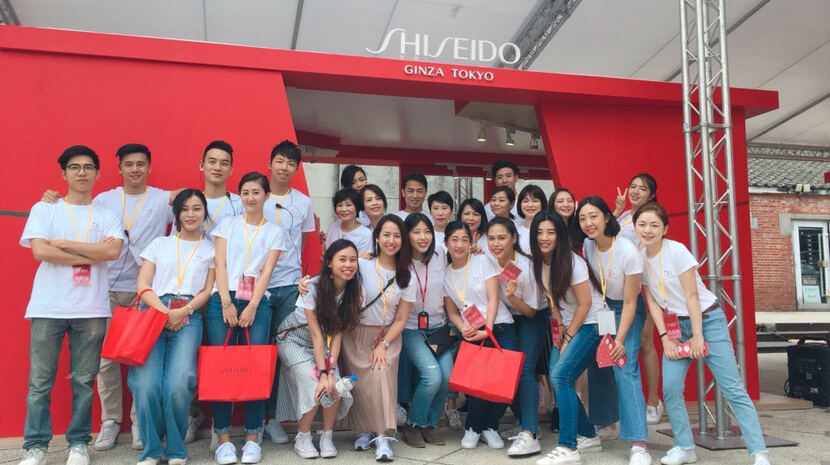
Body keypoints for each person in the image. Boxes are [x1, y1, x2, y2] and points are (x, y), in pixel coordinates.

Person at [635, 203, 771, 465]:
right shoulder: (638, 257)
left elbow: (692, 295)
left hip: (706, 321)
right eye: (642, 224)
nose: (648, 230)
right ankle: (685, 447)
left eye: (654, 225)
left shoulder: (677, 251)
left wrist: (698, 335)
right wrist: (665, 336)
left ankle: (759, 452)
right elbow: (650, 298)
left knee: (732, 387)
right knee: (671, 389)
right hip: (674, 328)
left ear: (665, 229)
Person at [19, 145, 124, 465]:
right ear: (63, 173)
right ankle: (35, 446)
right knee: (40, 383)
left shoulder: (107, 214)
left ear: (97, 173)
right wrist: (91, 252)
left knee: (84, 381)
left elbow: (112, 253)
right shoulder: (45, 209)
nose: (82, 173)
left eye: (88, 167)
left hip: (91, 308)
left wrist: (64, 244)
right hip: (48, 307)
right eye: (75, 167)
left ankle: (78, 444)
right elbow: (40, 252)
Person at [129, 189, 216, 465]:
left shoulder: (211, 249)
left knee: (179, 383)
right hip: (153, 312)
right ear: (176, 214)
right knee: (145, 384)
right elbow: (143, 284)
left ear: (205, 213)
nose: (190, 214)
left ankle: (177, 450)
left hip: (189, 315)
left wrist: (183, 311)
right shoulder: (159, 244)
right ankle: (152, 450)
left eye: (197, 208)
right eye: (184, 209)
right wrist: (164, 311)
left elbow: (207, 290)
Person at [208, 172, 286, 465]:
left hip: (258, 303)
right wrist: (226, 302)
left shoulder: (275, 232)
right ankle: (223, 439)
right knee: (221, 369)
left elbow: (266, 272)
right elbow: (219, 264)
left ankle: (253, 437)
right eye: (245, 192)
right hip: (223, 299)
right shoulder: (227, 225)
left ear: (266, 195)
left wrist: (253, 305)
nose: (250, 198)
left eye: (256, 192)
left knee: (255, 368)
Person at [577, 196, 651, 465]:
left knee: (624, 366)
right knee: (598, 363)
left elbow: (631, 302)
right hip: (603, 308)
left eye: (593, 216)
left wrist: (619, 339)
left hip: (627, 308)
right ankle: (606, 423)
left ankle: (639, 443)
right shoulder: (587, 245)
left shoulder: (627, 252)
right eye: (583, 218)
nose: (588, 223)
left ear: (607, 217)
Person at [275, 239, 361, 459]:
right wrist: (322, 373)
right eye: (342, 259)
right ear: (329, 262)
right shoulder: (312, 286)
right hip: (294, 338)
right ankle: (302, 436)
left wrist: (330, 372)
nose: (348, 265)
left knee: (336, 384)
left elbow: (337, 334)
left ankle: (327, 436)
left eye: (353, 260)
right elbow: (315, 334)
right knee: (314, 381)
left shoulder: (352, 291)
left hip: (326, 342)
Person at [532, 211, 605, 465]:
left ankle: (568, 447)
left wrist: (568, 337)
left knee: (561, 376)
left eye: (551, 232)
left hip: (592, 324)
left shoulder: (573, 262)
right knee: (557, 376)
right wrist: (559, 328)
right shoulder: (541, 262)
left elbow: (585, 304)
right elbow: (553, 301)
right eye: (540, 232)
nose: (544, 237)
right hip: (569, 326)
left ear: (560, 236)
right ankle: (589, 435)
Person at [343, 214, 415, 462]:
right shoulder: (362, 266)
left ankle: (383, 437)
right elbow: (334, 279)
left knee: (381, 377)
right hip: (356, 334)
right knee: (360, 385)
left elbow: (401, 319)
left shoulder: (407, 276)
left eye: (396, 236)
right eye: (386, 235)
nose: (391, 240)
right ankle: (364, 430)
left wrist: (383, 344)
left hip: (387, 337)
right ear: (377, 237)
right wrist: (306, 283)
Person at [442, 221, 516, 451]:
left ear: (471, 242)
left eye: (464, 239)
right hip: (472, 331)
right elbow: (452, 311)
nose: (459, 244)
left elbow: (494, 297)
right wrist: (461, 326)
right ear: (446, 243)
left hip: (499, 326)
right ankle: (473, 427)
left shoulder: (482, 261)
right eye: (454, 240)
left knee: (503, 380)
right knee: (477, 383)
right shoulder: (446, 274)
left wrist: (489, 328)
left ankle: (490, 426)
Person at [263, 141, 316, 445]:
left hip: (289, 287)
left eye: (290, 163)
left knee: (284, 353)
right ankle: (258, 419)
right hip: (258, 287)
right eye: (280, 161)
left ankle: (275, 418)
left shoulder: (303, 203)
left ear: (296, 169)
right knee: (260, 351)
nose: (284, 167)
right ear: (269, 164)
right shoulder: (256, 196)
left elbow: (303, 242)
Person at [485, 217, 545, 457]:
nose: (496, 243)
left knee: (525, 368)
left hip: (530, 317)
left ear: (514, 238)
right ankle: (526, 422)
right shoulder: (488, 260)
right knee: (509, 370)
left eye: (501, 238)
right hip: (505, 318)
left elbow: (531, 311)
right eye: (491, 238)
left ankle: (530, 433)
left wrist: (512, 297)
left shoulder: (527, 268)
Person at [398, 214, 453, 449]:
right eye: (416, 232)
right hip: (411, 329)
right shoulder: (399, 262)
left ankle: (429, 424)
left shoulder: (441, 254)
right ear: (407, 235)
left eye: (427, 231)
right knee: (432, 377)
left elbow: (463, 255)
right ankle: (413, 424)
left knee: (447, 377)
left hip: (439, 328)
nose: (423, 237)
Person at [613, 173, 663, 424]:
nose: (635, 191)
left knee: (645, 342)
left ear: (651, 195)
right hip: (620, 287)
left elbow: (645, 250)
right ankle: (627, 402)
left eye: (642, 189)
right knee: (620, 343)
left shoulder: (650, 218)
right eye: (632, 186)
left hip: (644, 285)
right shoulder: (623, 216)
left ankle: (653, 401)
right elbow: (607, 236)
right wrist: (617, 209)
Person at [200, 140, 242, 235]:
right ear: (202, 165)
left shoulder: (241, 204)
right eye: (212, 162)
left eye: (224, 164)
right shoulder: (189, 202)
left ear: (231, 170)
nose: (217, 168)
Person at [324, 188, 373, 253]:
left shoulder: (366, 234)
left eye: (348, 205)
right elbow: (325, 250)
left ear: (357, 207)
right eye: (339, 205)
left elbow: (365, 258)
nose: (343, 209)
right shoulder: (334, 226)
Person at [516, 185, 547, 253]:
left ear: (542, 203)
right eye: (525, 201)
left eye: (535, 201)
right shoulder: (515, 231)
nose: (530, 205)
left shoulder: (551, 230)